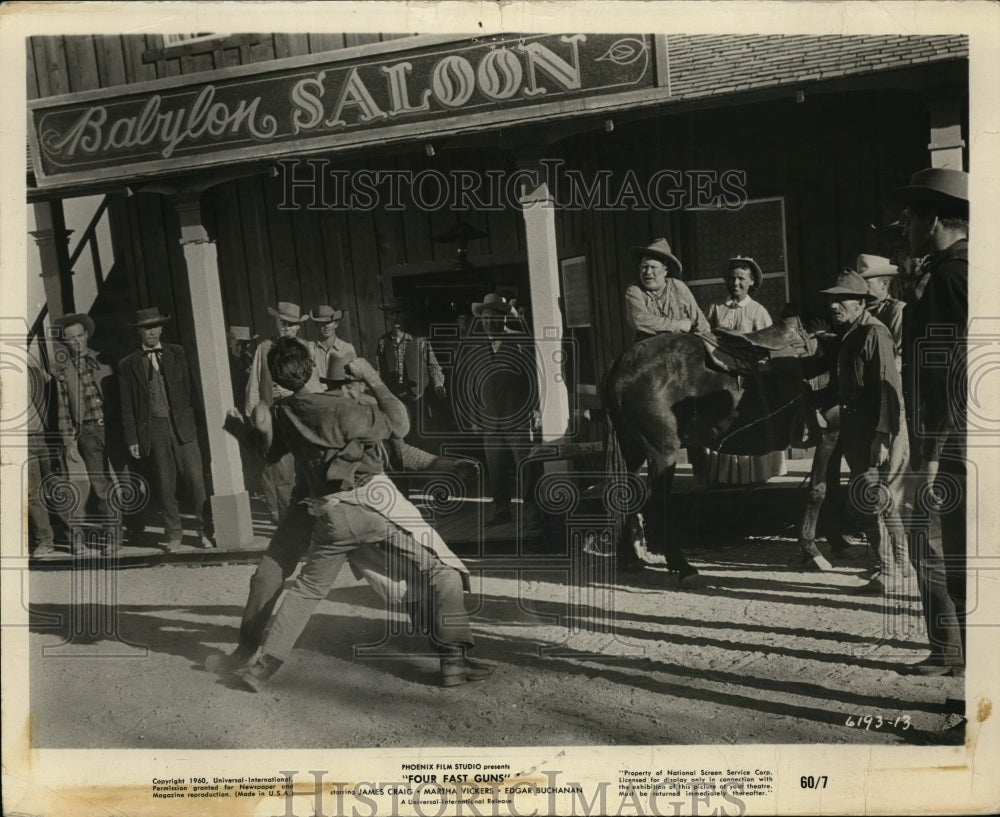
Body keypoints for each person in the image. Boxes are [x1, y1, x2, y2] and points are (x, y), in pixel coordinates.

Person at [232, 338, 490, 691]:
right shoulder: (351, 411)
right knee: (441, 571)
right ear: (324, 381)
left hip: (332, 518)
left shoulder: (294, 410)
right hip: (368, 508)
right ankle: (453, 662)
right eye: (344, 384)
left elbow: (404, 454)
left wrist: (447, 464)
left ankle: (262, 667)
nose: (350, 389)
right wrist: (373, 379)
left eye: (352, 383)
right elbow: (399, 429)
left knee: (318, 588)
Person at [895, 167, 968, 677]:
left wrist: (932, 451)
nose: (905, 227)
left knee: (928, 537)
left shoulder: (948, 278)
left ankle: (950, 651)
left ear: (937, 220)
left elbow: (951, 369)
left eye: (912, 218)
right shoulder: (972, 270)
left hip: (949, 439)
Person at [817, 271, 909, 599]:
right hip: (857, 429)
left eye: (842, 299)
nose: (834, 305)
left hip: (876, 431)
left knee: (872, 501)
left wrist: (883, 436)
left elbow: (889, 389)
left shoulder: (875, 333)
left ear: (860, 302)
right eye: (832, 299)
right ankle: (902, 565)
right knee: (881, 502)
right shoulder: (849, 335)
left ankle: (889, 571)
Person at [119, 307, 212, 551]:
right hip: (154, 428)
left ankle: (206, 531)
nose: (152, 332)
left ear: (162, 328)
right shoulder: (128, 364)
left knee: (196, 481)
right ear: (139, 331)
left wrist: (198, 425)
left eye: (156, 326)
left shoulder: (177, 353)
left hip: (183, 425)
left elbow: (192, 390)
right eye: (146, 328)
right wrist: (133, 439)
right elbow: (127, 405)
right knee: (165, 483)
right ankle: (174, 535)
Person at [454, 292, 541, 528]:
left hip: (518, 417)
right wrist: (473, 418)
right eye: (485, 318)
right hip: (488, 420)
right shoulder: (475, 347)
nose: (490, 322)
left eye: (495, 317)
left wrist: (535, 409)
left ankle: (532, 512)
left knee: (526, 466)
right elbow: (470, 384)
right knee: (496, 469)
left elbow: (534, 378)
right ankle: (501, 510)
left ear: (504, 318)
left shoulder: (520, 341)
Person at [701, 256, 786, 485]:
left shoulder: (757, 311)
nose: (735, 283)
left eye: (741, 278)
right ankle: (725, 477)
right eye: (732, 278)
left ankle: (752, 475)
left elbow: (769, 344)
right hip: (720, 376)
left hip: (748, 378)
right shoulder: (715, 308)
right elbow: (705, 336)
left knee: (746, 421)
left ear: (751, 283)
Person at [52, 313, 122, 545]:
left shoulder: (104, 361)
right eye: (71, 338)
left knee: (124, 478)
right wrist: (69, 441)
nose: (77, 341)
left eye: (80, 335)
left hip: (114, 429)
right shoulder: (64, 371)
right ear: (65, 342)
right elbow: (63, 410)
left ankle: (134, 526)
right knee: (100, 485)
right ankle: (113, 538)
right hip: (88, 433)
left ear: (86, 335)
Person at [245, 301, 318, 523]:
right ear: (277, 322)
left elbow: (315, 386)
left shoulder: (306, 348)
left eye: (291, 324)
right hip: (275, 415)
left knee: (307, 467)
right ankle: (289, 523)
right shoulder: (265, 348)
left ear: (298, 327)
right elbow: (254, 386)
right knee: (281, 470)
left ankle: (311, 519)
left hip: (300, 413)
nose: (286, 327)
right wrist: (255, 417)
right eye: (283, 322)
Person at [375, 297, 446, 443]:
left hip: (419, 398)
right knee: (401, 438)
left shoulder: (419, 339)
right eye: (391, 314)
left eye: (398, 313)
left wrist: (438, 384)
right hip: (396, 401)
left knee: (422, 438)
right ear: (387, 317)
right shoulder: (382, 342)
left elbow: (433, 365)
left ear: (405, 315)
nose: (395, 318)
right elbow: (379, 372)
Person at [624, 238, 708, 341]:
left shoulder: (678, 287)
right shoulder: (634, 291)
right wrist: (679, 325)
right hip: (648, 351)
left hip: (681, 348)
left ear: (665, 271)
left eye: (653, 267)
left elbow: (699, 321)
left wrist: (706, 343)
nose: (648, 272)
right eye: (644, 267)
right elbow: (640, 320)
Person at [858, 254, 905, 369]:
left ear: (884, 284)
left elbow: (900, 354)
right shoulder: (861, 310)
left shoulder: (896, 310)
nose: (862, 290)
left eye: (867, 285)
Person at [308, 304, 356, 380]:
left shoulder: (346, 348)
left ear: (336, 324)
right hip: (317, 391)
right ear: (316, 324)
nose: (326, 326)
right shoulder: (310, 348)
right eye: (322, 323)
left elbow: (355, 377)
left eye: (329, 322)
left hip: (340, 391)